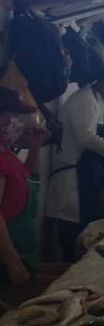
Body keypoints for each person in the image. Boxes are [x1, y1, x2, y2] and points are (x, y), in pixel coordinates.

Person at [47, 66, 104, 260]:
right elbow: (86, 138)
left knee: (85, 225)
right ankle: (69, 264)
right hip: (73, 172)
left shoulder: (96, 100)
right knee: (72, 226)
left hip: (86, 171)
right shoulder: (85, 100)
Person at [0, 88, 47, 283]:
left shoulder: (6, 152)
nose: (17, 122)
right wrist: (13, 263)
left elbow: (32, 180)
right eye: (13, 115)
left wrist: (34, 146)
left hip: (21, 253)